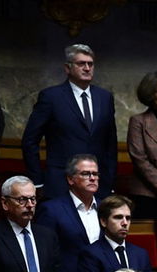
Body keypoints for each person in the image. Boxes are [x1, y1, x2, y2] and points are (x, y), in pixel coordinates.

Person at [21, 44, 117, 197]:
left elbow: (110, 145)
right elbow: (30, 141)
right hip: (60, 184)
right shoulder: (51, 97)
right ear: (67, 68)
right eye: (81, 64)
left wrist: (109, 181)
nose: (87, 68)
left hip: (98, 187)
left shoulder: (105, 98)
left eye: (90, 64)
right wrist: (37, 181)